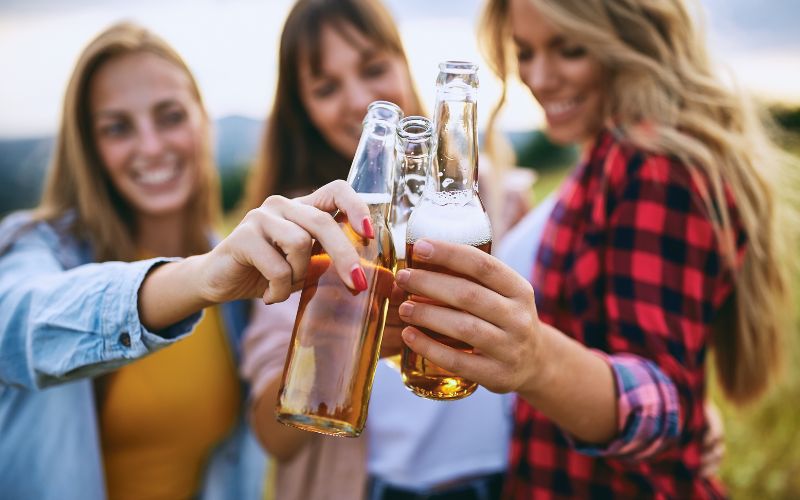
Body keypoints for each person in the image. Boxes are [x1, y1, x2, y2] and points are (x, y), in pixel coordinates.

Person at [394, 0, 798, 497]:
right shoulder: (604, 154)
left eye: (570, 50)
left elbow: (665, 402)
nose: (540, 78)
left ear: (630, 41)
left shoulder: (653, 164)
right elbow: (654, 369)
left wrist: (537, 360)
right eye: (525, 52)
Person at [0, 22, 375, 500]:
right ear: (89, 146)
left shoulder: (241, 290)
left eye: (170, 116)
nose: (152, 146)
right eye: (117, 128)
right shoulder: (37, 248)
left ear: (204, 121)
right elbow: (15, 327)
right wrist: (202, 277)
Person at [239, 1, 514, 499]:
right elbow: (270, 434)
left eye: (373, 67)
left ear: (402, 62)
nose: (359, 99)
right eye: (326, 87)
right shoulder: (305, 229)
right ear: (302, 109)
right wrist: (325, 342)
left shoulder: (488, 200)